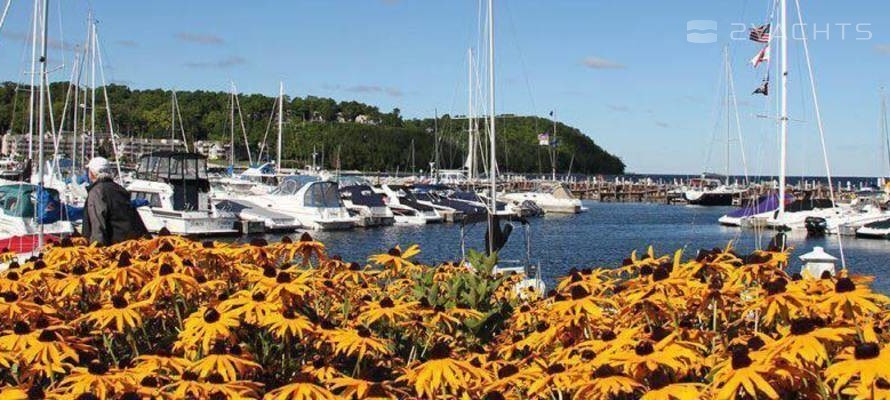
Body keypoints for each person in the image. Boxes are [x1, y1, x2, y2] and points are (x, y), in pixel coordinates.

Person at [81, 157, 148, 246]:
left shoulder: (97, 191)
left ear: (92, 173)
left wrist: (96, 248)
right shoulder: (119, 189)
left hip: (115, 246)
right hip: (133, 243)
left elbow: (98, 222)